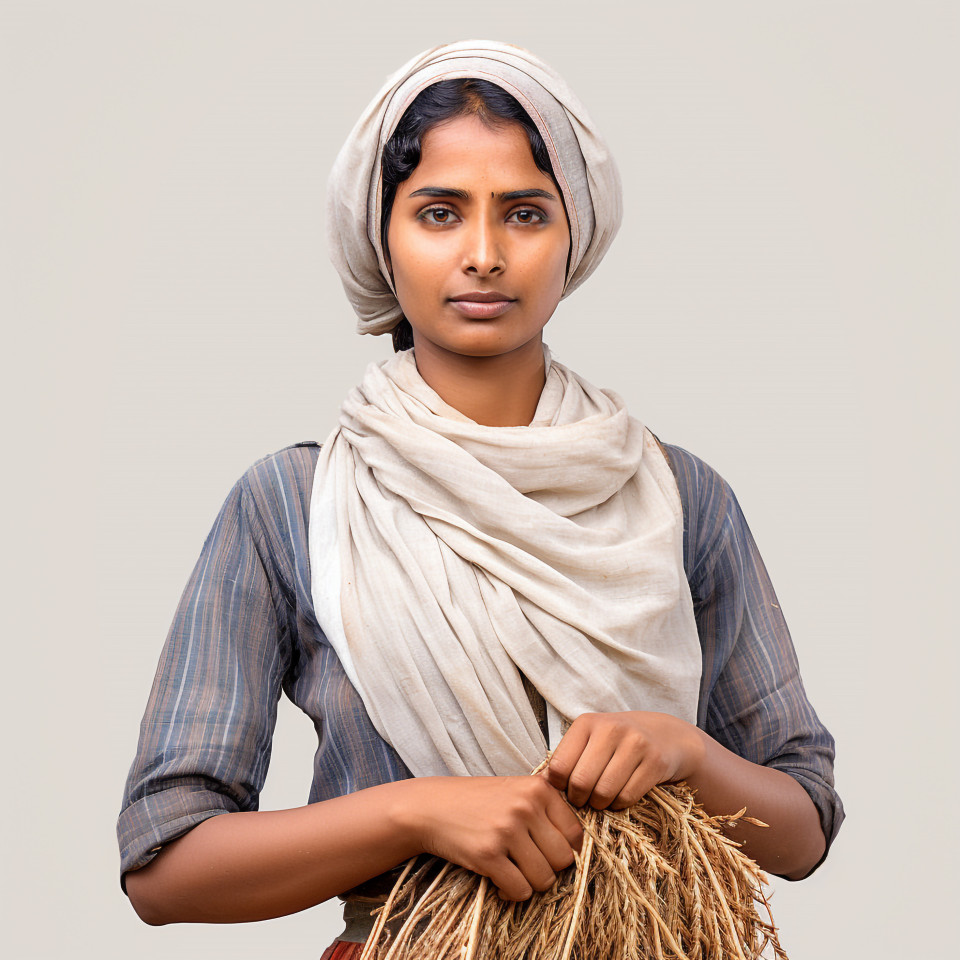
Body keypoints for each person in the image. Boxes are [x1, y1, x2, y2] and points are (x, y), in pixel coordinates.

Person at [117, 40, 843, 958]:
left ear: (573, 235)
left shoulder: (680, 496)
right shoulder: (294, 504)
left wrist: (687, 754)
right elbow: (163, 864)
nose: (485, 254)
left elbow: (805, 828)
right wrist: (414, 814)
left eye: (526, 213)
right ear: (382, 236)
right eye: (439, 213)